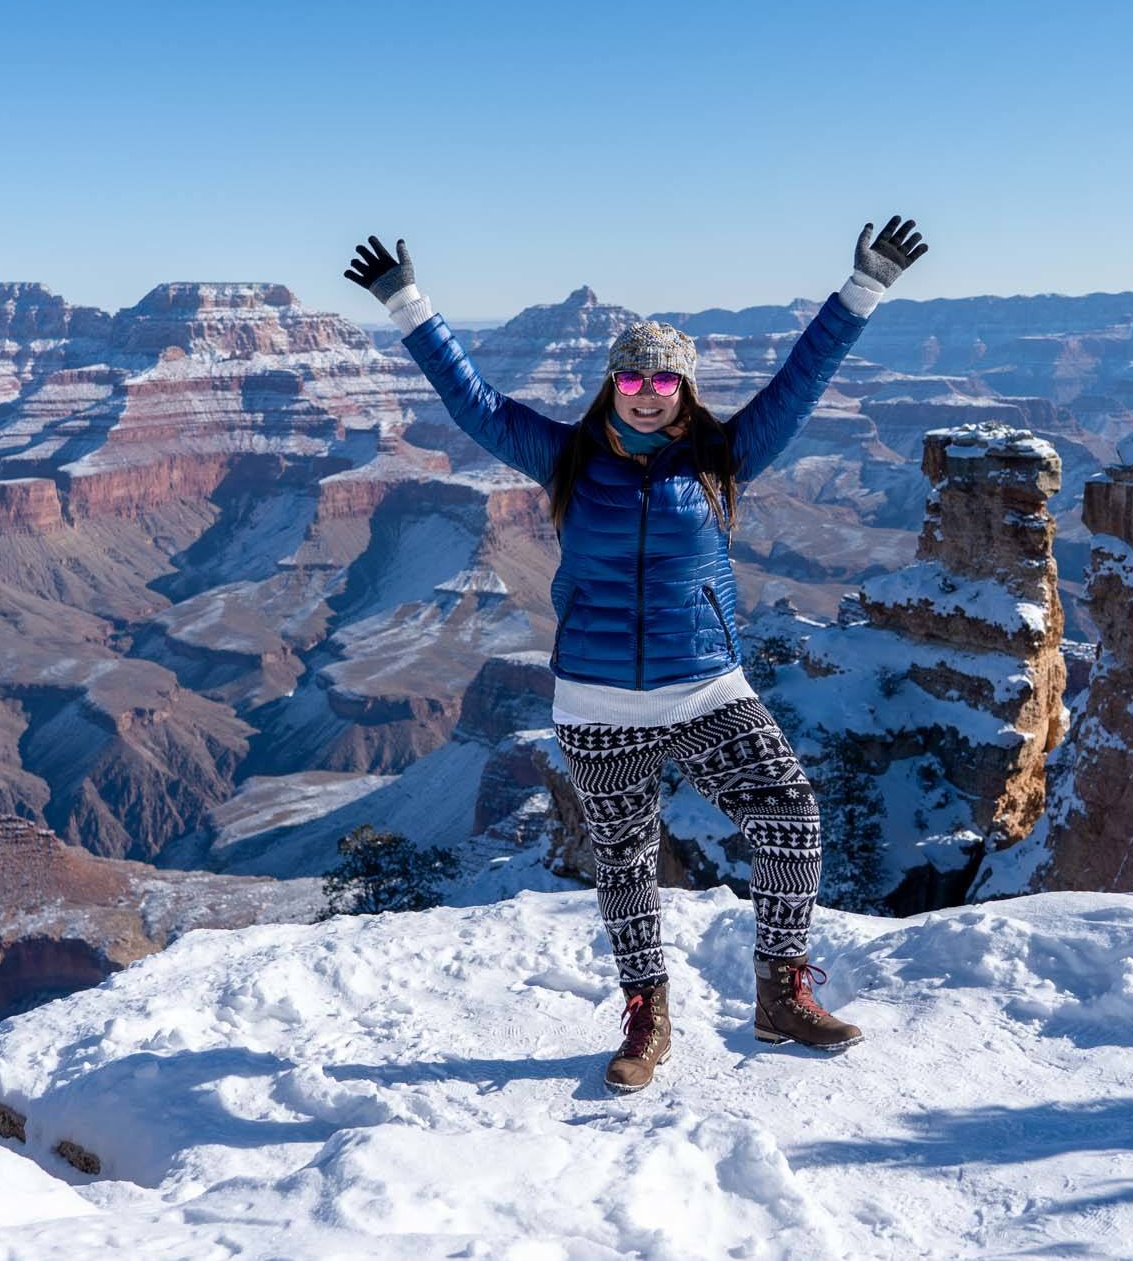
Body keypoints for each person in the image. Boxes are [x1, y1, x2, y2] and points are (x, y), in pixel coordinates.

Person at [344, 218, 928, 1093]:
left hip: (707, 691)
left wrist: (862, 291)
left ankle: (780, 992)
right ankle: (647, 1015)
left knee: (792, 819)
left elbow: (801, 383)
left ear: (684, 390)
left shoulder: (723, 455)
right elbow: (475, 405)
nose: (647, 392)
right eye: (631, 376)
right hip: (598, 703)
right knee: (624, 863)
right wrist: (408, 303)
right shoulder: (567, 456)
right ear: (611, 383)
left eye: (663, 378)